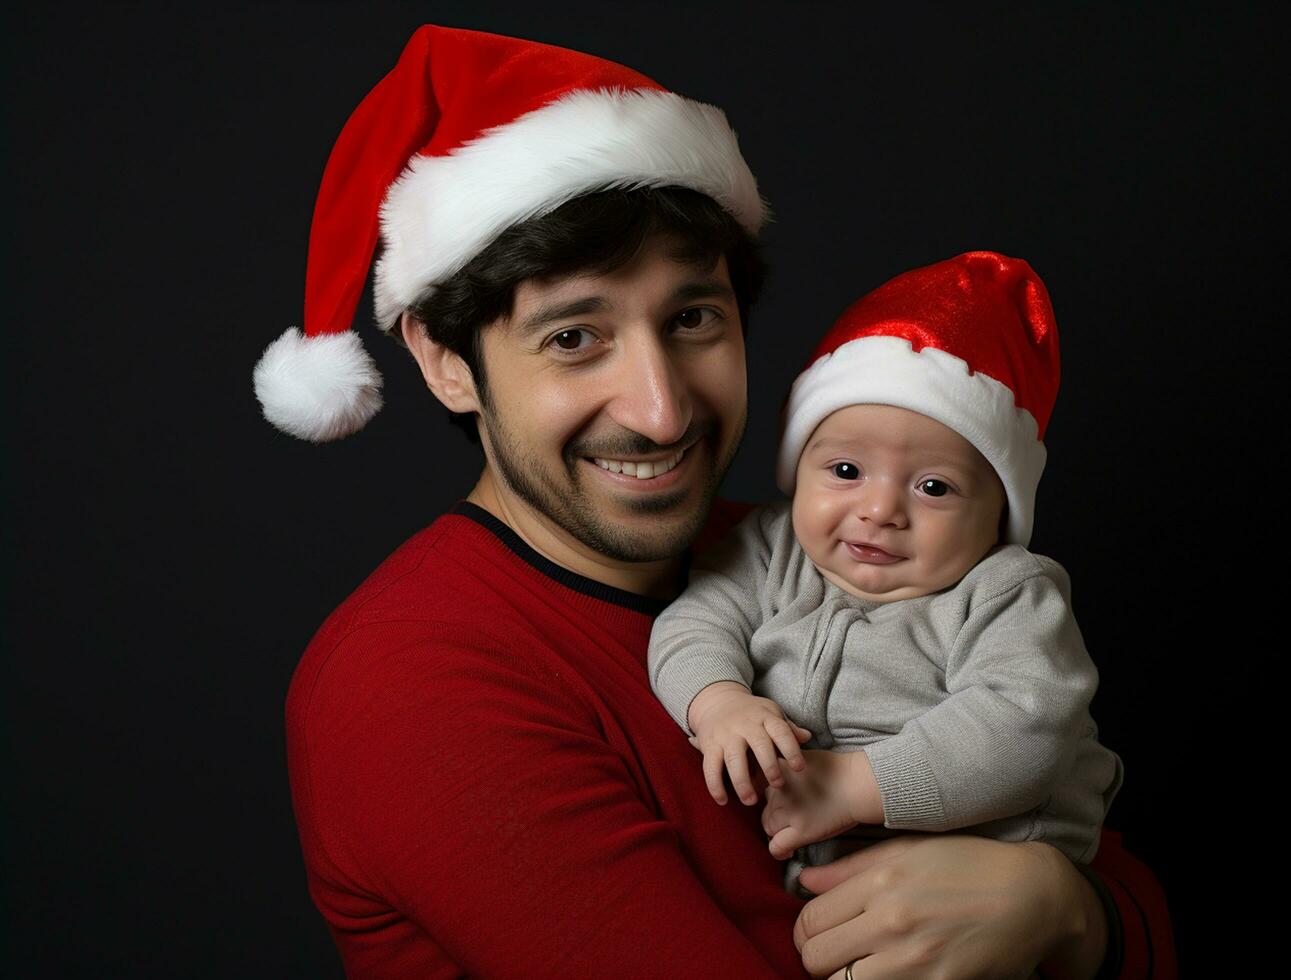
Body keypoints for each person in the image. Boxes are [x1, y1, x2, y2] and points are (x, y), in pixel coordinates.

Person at [255, 24, 1173, 978]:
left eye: (692, 319)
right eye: (575, 336)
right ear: (444, 361)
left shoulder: (827, 552)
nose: (660, 412)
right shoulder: (411, 683)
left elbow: (1119, 881)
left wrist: (1067, 913)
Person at [649, 252, 1122, 895]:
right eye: (846, 471)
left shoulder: (1005, 592)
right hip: (823, 877)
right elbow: (694, 623)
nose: (880, 511)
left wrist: (852, 785)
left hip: (982, 868)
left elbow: (1025, 725)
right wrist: (718, 703)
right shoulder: (770, 548)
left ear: (998, 513)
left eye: (933, 487)